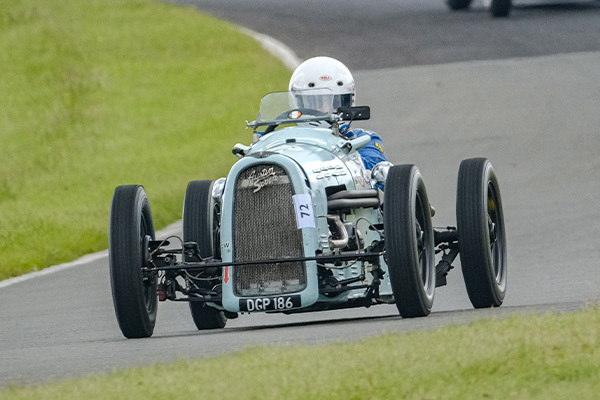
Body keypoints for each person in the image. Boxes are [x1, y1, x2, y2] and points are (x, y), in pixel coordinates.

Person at [288, 56, 388, 172]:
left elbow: (375, 169)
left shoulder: (363, 139)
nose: (326, 109)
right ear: (298, 103)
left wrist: (346, 151)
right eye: (316, 102)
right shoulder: (286, 140)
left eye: (335, 103)